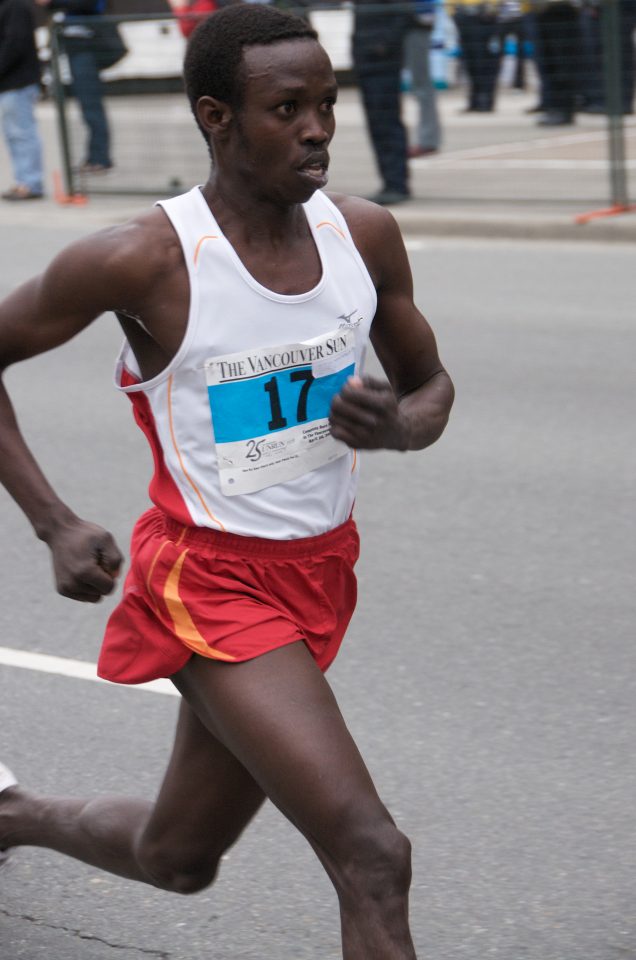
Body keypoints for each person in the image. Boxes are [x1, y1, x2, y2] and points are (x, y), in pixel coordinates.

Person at [0, 6, 454, 957]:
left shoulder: (362, 235)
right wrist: (52, 521)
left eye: (327, 103)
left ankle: (10, 817)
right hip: (209, 580)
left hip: (322, 571)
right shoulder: (144, 258)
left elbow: (431, 386)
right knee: (372, 855)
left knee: (179, 857)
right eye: (287, 107)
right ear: (215, 117)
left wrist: (401, 429)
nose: (319, 128)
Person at [36, 0, 113, 172]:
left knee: (91, 106)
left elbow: (86, 5)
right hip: (75, 48)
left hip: (86, 47)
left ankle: (100, 158)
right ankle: (95, 156)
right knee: (87, 108)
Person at [352, 0, 412, 204]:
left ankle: (396, 183)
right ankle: (391, 181)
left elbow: (404, 13)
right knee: (377, 124)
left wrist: (383, 45)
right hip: (367, 59)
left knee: (386, 122)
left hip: (382, 60)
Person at [0, 0, 45, 200]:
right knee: (13, 134)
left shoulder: (14, 6)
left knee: (21, 133)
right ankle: (23, 181)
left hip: (18, 82)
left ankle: (31, 183)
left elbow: (14, 44)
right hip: (9, 83)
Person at [403, 0, 442, 158]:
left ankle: (428, 140)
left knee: (421, 83)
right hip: (402, 18)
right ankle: (427, 139)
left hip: (414, 20)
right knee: (419, 83)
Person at [453, 0, 504, 112]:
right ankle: (474, 101)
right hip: (463, 15)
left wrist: (491, 8)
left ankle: (486, 100)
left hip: (486, 15)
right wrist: (453, 12)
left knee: (487, 62)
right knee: (470, 62)